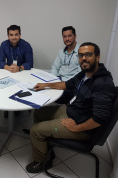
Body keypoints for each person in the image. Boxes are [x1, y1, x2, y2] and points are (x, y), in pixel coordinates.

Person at [26, 42, 116, 174]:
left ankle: (41, 161)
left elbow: (100, 118)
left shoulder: (103, 83)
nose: (83, 58)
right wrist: (45, 85)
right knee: (39, 111)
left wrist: (77, 128)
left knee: (35, 130)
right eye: (80, 55)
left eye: (88, 54)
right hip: (70, 111)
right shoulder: (85, 74)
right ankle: (45, 144)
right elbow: (66, 84)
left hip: (80, 125)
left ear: (97, 57)